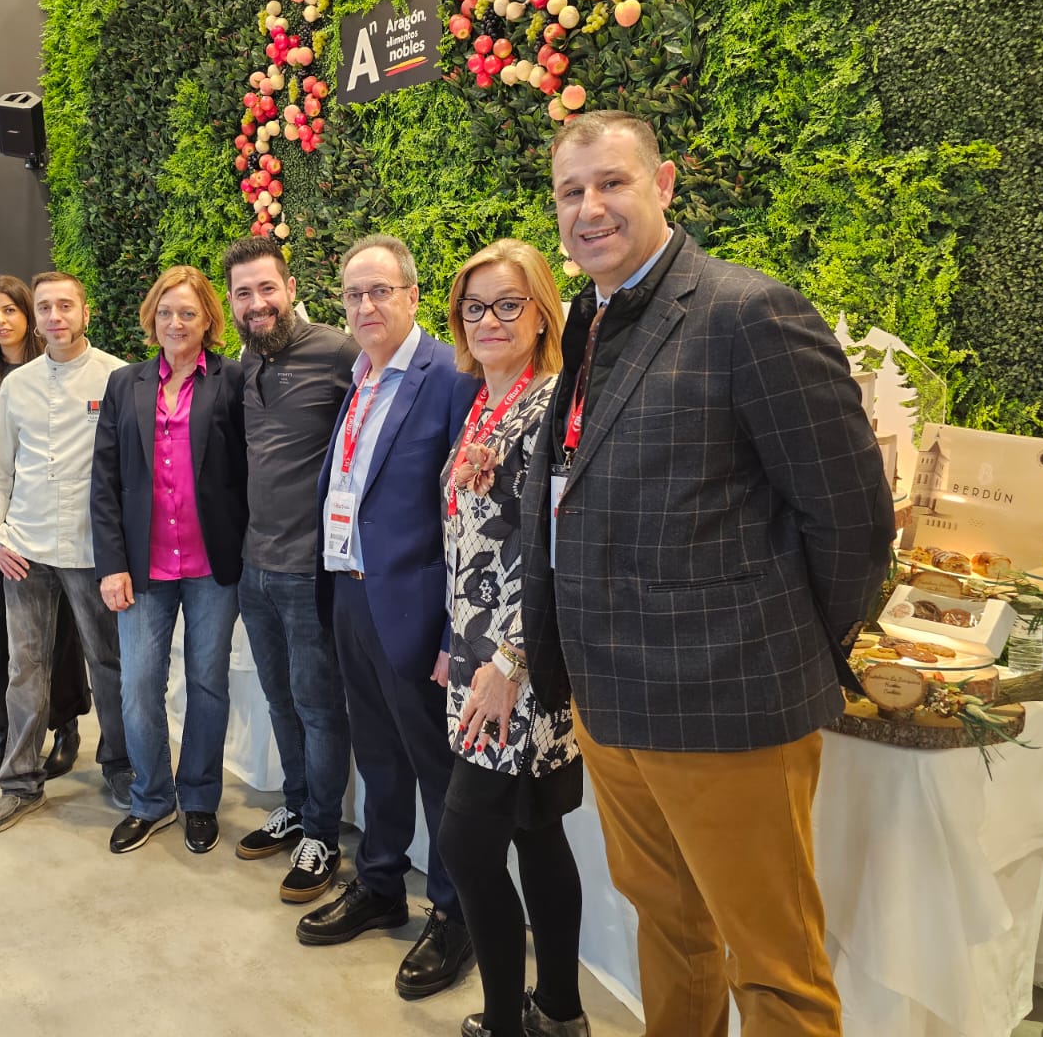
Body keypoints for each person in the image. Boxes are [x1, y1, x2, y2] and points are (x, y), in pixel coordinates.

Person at [524, 111, 894, 1037]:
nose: (590, 208)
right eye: (571, 192)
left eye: (611, 182)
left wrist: (785, 648)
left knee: (775, 970)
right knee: (672, 933)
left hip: (729, 703)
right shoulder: (590, 318)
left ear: (665, 184)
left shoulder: (746, 313)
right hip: (611, 704)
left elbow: (852, 519)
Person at [297, 234, 479, 1001]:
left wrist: (451, 636)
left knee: (437, 770)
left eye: (380, 292)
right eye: (352, 295)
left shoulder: (449, 378)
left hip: (415, 610)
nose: (365, 307)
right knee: (377, 755)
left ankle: (455, 910)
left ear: (411, 294)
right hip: (350, 594)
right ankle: (379, 883)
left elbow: (471, 517)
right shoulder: (360, 376)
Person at [434, 240, 588, 1037]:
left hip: (516, 669)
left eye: (507, 304)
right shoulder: (483, 400)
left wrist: (506, 661)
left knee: (465, 847)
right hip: (476, 652)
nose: (488, 320)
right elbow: (472, 540)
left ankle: (504, 1024)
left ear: (540, 316)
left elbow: (557, 553)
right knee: (535, 829)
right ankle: (558, 1012)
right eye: (474, 307)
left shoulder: (553, 406)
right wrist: (452, 643)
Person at [91, 266, 249, 856]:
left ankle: (201, 797)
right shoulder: (124, 385)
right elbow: (103, 479)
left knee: (207, 684)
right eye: (165, 312)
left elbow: (248, 471)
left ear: (208, 319)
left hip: (212, 565)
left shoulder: (232, 381)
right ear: (151, 318)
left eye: (187, 312)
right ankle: (152, 799)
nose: (175, 322)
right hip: (142, 565)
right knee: (137, 686)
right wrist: (111, 563)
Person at [0, 271, 133, 835]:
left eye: (66, 306)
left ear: (85, 313)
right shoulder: (18, 385)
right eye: (46, 308)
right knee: (25, 669)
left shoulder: (117, 378)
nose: (55, 316)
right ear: (36, 319)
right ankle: (19, 781)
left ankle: (120, 766)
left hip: (94, 552)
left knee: (109, 665)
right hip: (27, 550)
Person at [223, 237, 359, 903]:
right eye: (243, 293)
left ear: (291, 286)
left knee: (318, 706)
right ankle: (301, 809)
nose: (257, 304)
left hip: (312, 572)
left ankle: (324, 836)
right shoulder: (239, 366)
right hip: (255, 568)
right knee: (278, 699)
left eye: (266, 289)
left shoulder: (340, 353)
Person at [0, 275, 93, 790]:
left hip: (58, 531)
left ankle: (66, 724)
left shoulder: (74, 371)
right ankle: (4, 737)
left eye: (10, 310)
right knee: (0, 636)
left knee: (65, 637)